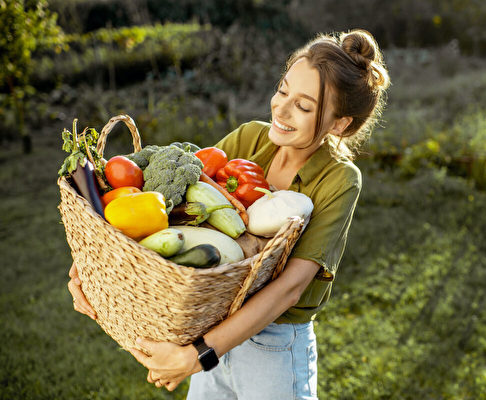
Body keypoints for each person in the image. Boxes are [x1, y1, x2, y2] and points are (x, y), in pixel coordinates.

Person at [68, 28, 390, 399]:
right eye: (282, 90)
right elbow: (161, 209)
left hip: (273, 348)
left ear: (339, 123)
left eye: (303, 106)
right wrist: (91, 266)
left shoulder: (339, 179)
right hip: (213, 324)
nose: (281, 110)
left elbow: (290, 289)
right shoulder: (250, 138)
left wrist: (197, 356)